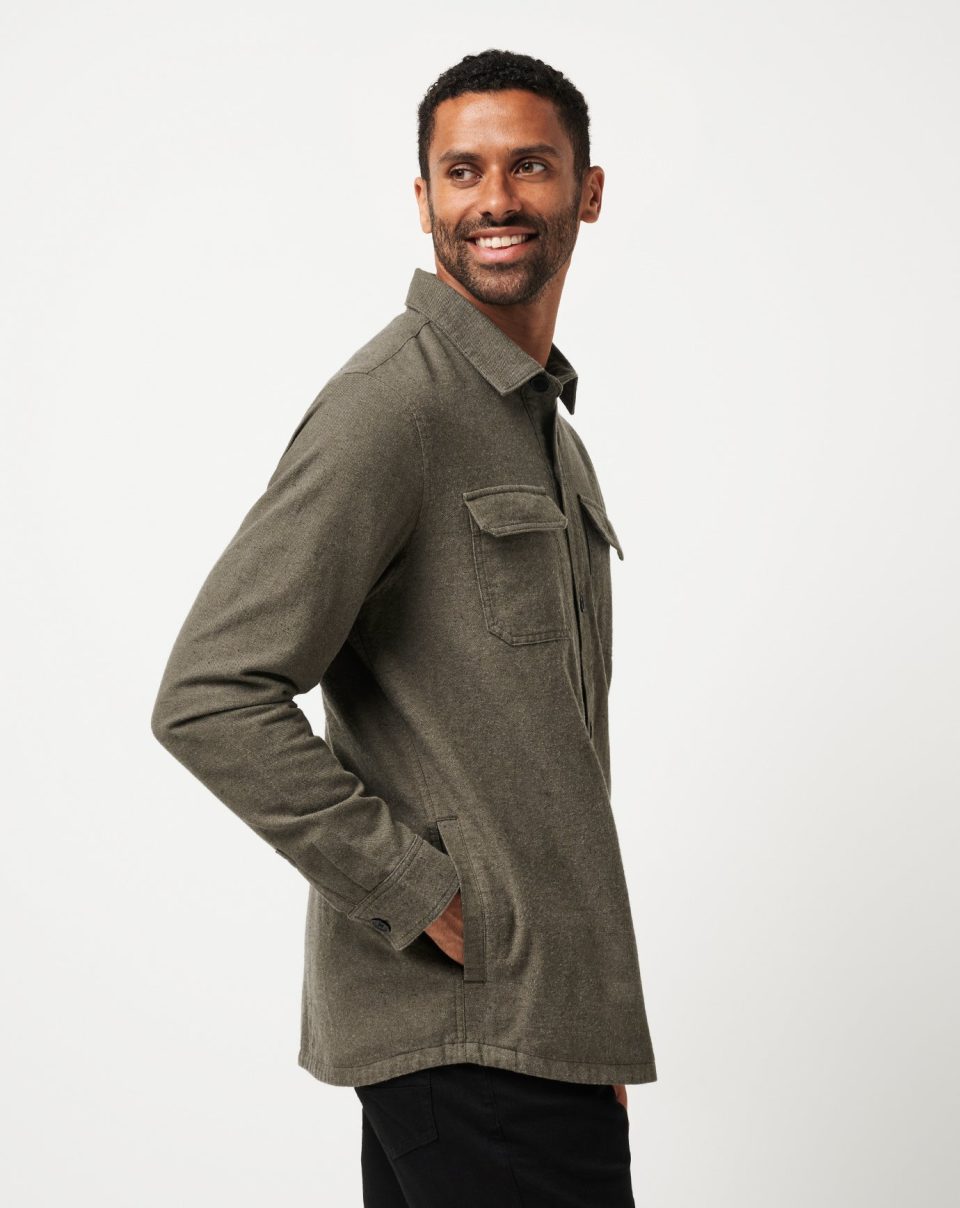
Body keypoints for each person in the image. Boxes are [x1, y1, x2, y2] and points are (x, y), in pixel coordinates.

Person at [151, 47, 657, 1207]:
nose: (495, 198)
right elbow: (210, 691)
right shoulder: (394, 405)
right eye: (463, 171)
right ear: (424, 198)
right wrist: (421, 890)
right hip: (468, 1035)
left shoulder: (545, 431)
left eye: (530, 165)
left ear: (586, 190)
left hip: (538, 1031)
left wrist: (584, 1028)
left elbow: (543, 756)